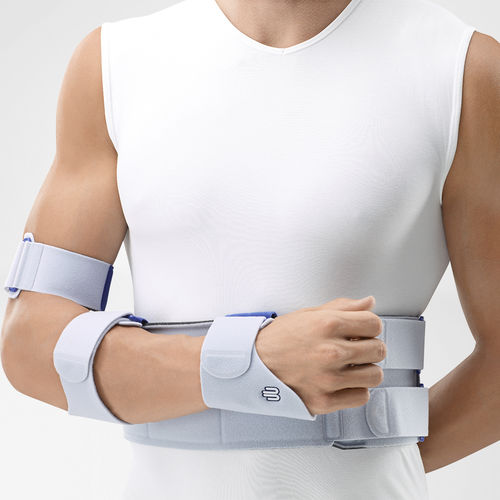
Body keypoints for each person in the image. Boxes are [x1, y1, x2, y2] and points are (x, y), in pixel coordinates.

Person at [2, 0, 500, 498]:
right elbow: (30, 344)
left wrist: (383, 444)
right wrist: (250, 362)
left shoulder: (461, 70)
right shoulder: (114, 64)